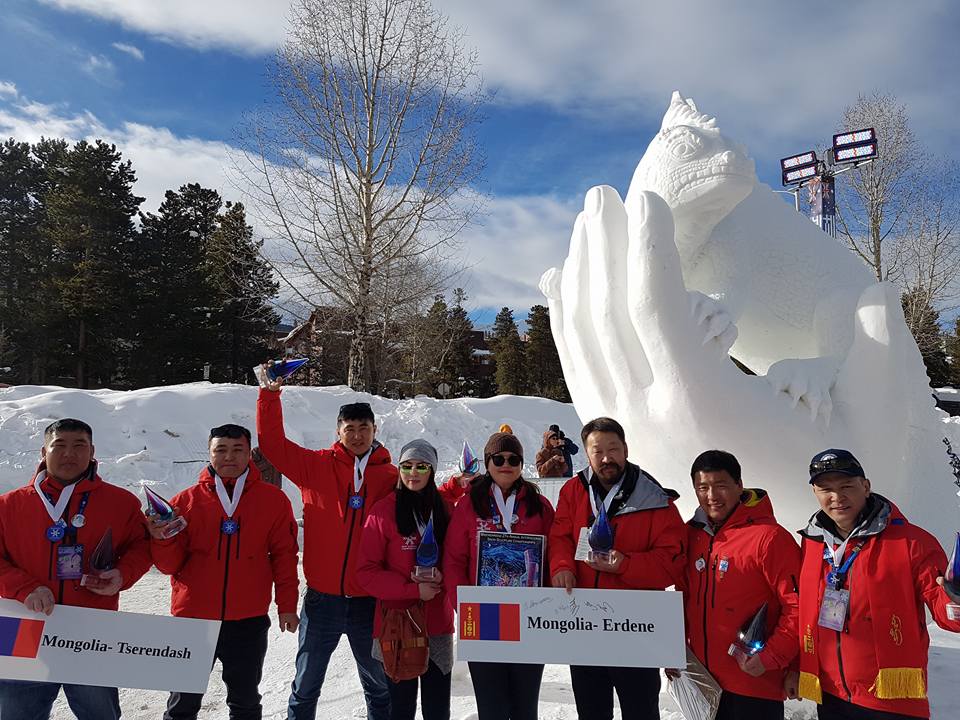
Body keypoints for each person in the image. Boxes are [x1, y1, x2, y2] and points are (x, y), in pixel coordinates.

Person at [257, 374, 398, 720]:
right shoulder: (315, 466)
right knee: (305, 686)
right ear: (338, 431)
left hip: (369, 602)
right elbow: (273, 445)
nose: (357, 434)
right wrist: (269, 395)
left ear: (375, 431)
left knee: (379, 687)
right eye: (349, 427)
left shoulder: (390, 476)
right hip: (323, 601)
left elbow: (425, 499)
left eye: (364, 427)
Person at [790, 449, 960, 720]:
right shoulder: (812, 542)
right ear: (815, 492)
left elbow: (946, 614)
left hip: (892, 700)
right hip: (833, 696)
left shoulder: (911, 542)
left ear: (866, 486)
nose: (837, 497)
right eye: (826, 489)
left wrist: (956, 598)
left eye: (847, 486)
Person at [0, 419, 152, 720]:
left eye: (79, 445)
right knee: (17, 713)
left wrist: (121, 575)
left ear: (92, 451)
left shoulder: (121, 502)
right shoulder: (8, 505)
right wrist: (25, 588)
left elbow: (142, 547)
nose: (69, 453)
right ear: (44, 452)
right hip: (22, 625)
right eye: (60, 445)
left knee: (99, 713)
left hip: (91, 626)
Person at [149, 423, 300, 720]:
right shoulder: (185, 502)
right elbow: (168, 566)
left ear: (249, 454)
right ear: (209, 453)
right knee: (182, 703)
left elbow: (284, 556)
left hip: (247, 620)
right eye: (221, 450)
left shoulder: (273, 500)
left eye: (237, 450)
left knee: (244, 701)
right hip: (192, 619)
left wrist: (287, 606)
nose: (229, 457)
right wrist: (161, 538)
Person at [548, 416, 685, 720]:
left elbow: (672, 563)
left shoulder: (655, 499)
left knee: (640, 711)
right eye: (598, 451)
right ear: (587, 454)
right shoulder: (573, 491)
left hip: (634, 628)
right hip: (584, 624)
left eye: (613, 449)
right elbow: (559, 536)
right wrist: (561, 566)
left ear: (626, 449)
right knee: (591, 710)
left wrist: (626, 565)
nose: (606, 458)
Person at [443, 431, 555, 720]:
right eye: (499, 458)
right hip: (485, 616)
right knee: (491, 708)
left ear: (521, 463)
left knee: (525, 708)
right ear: (487, 462)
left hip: (531, 616)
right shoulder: (468, 505)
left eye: (514, 459)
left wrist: (550, 602)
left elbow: (555, 555)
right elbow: (454, 560)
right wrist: (464, 604)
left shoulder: (540, 506)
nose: (507, 463)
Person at [681, 450, 800, 720]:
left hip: (753, 683)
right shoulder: (691, 535)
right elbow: (683, 595)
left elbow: (799, 607)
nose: (712, 496)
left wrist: (773, 657)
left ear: (739, 485)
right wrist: (676, 653)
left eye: (721, 486)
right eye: (703, 487)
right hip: (703, 683)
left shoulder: (770, 538)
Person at [358, 439, 454, 720]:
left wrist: (443, 576)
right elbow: (366, 572)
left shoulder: (446, 509)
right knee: (399, 709)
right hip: (395, 623)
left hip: (436, 622)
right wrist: (411, 590)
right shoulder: (382, 511)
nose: (413, 472)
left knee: (437, 709)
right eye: (407, 466)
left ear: (432, 471)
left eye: (422, 466)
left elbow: (459, 559)